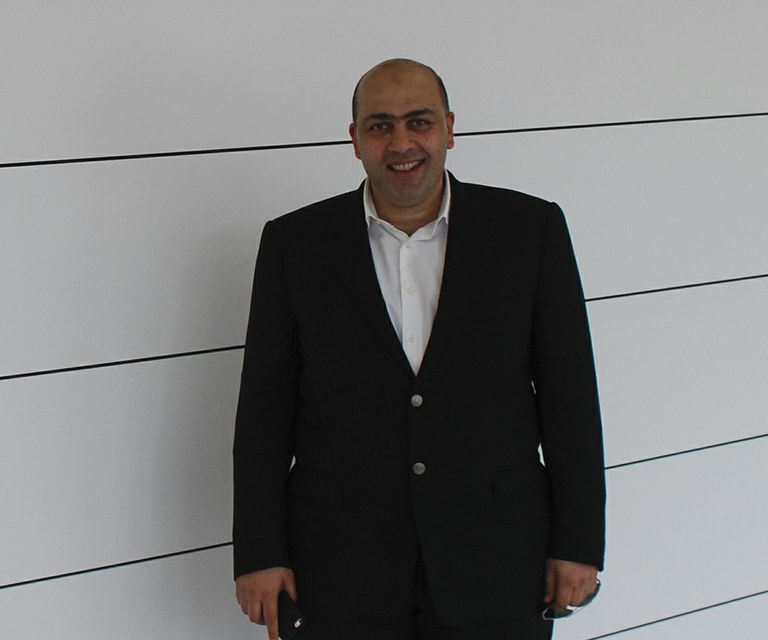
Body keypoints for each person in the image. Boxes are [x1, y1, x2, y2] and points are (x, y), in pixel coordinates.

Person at [233, 58, 606, 640]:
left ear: (450, 128)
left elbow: (570, 398)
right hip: (340, 569)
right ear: (355, 139)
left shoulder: (529, 230)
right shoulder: (294, 244)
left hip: (500, 562)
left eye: (419, 122)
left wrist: (578, 543)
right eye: (380, 125)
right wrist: (260, 553)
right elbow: (264, 413)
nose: (402, 143)